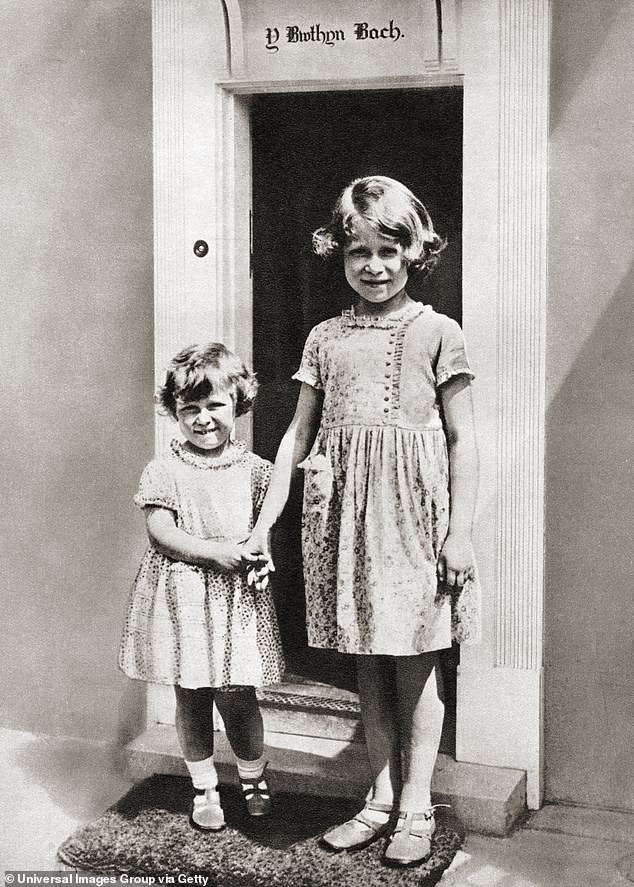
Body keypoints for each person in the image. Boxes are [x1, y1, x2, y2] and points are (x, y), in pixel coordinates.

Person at [243, 176, 480, 867]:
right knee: (368, 663)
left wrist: (459, 530)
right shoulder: (323, 336)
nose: (374, 265)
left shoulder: (438, 331)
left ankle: (417, 806)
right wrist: (264, 523)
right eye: (359, 252)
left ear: (416, 251)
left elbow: (464, 438)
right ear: (339, 255)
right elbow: (296, 434)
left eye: (388, 249)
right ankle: (377, 800)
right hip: (342, 515)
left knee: (417, 659)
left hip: (413, 518)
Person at [119, 342, 284, 831]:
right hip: (184, 596)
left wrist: (259, 557)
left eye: (215, 405)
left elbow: (262, 531)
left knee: (237, 693)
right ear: (174, 412)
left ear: (239, 403)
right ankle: (204, 786)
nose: (203, 419)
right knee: (191, 695)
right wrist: (216, 553)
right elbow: (162, 533)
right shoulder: (164, 470)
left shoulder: (255, 471)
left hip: (236, 600)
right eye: (189, 409)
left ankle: (253, 775)